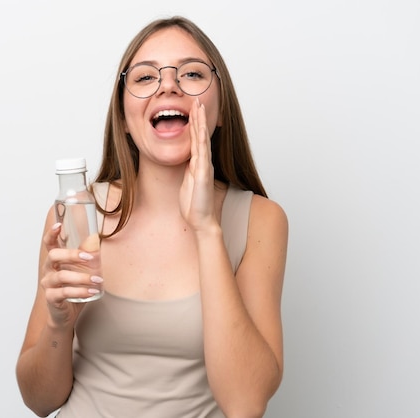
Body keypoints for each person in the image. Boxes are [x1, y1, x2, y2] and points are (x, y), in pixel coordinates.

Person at [16, 15, 288, 418]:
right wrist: (60, 325)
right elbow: (39, 401)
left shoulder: (261, 220)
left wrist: (206, 229)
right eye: (145, 78)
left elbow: (245, 404)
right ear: (124, 120)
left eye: (192, 73)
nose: (168, 84)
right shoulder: (75, 214)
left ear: (220, 113)